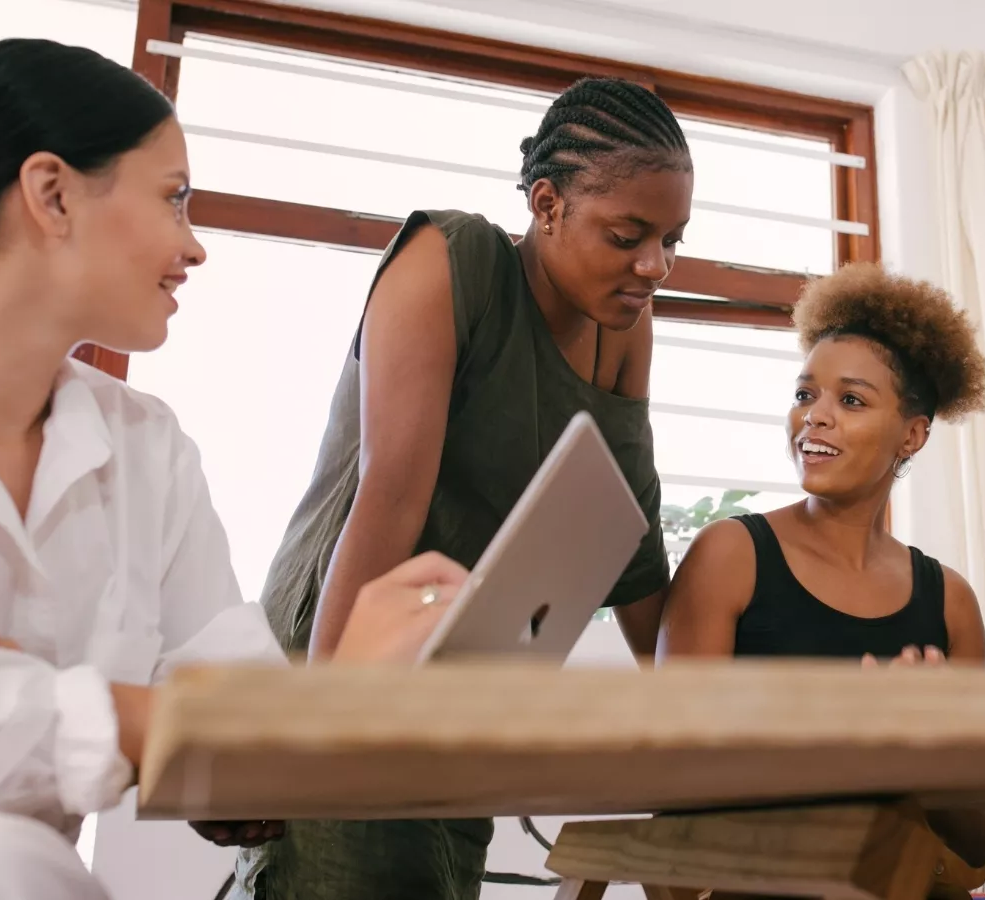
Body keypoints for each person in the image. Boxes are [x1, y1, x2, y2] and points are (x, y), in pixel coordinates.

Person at [0, 38, 465, 899]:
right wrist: (165, 724)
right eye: (174, 199)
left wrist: (330, 703)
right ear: (51, 194)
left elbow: (230, 720)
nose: (194, 247)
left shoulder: (147, 447)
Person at [238, 78, 692, 899]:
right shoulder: (451, 260)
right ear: (547, 205)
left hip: (463, 685)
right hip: (344, 654)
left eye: (673, 240)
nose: (654, 266)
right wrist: (317, 728)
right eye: (628, 235)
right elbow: (389, 497)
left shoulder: (623, 327)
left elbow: (633, 539)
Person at [656, 262, 985, 870]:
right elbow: (672, 783)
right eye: (804, 394)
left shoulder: (950, 601)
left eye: (851, 400)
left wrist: (931, 749)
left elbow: (979, 843)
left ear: (912, 435)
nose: (814, 416)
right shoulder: (730, 557)